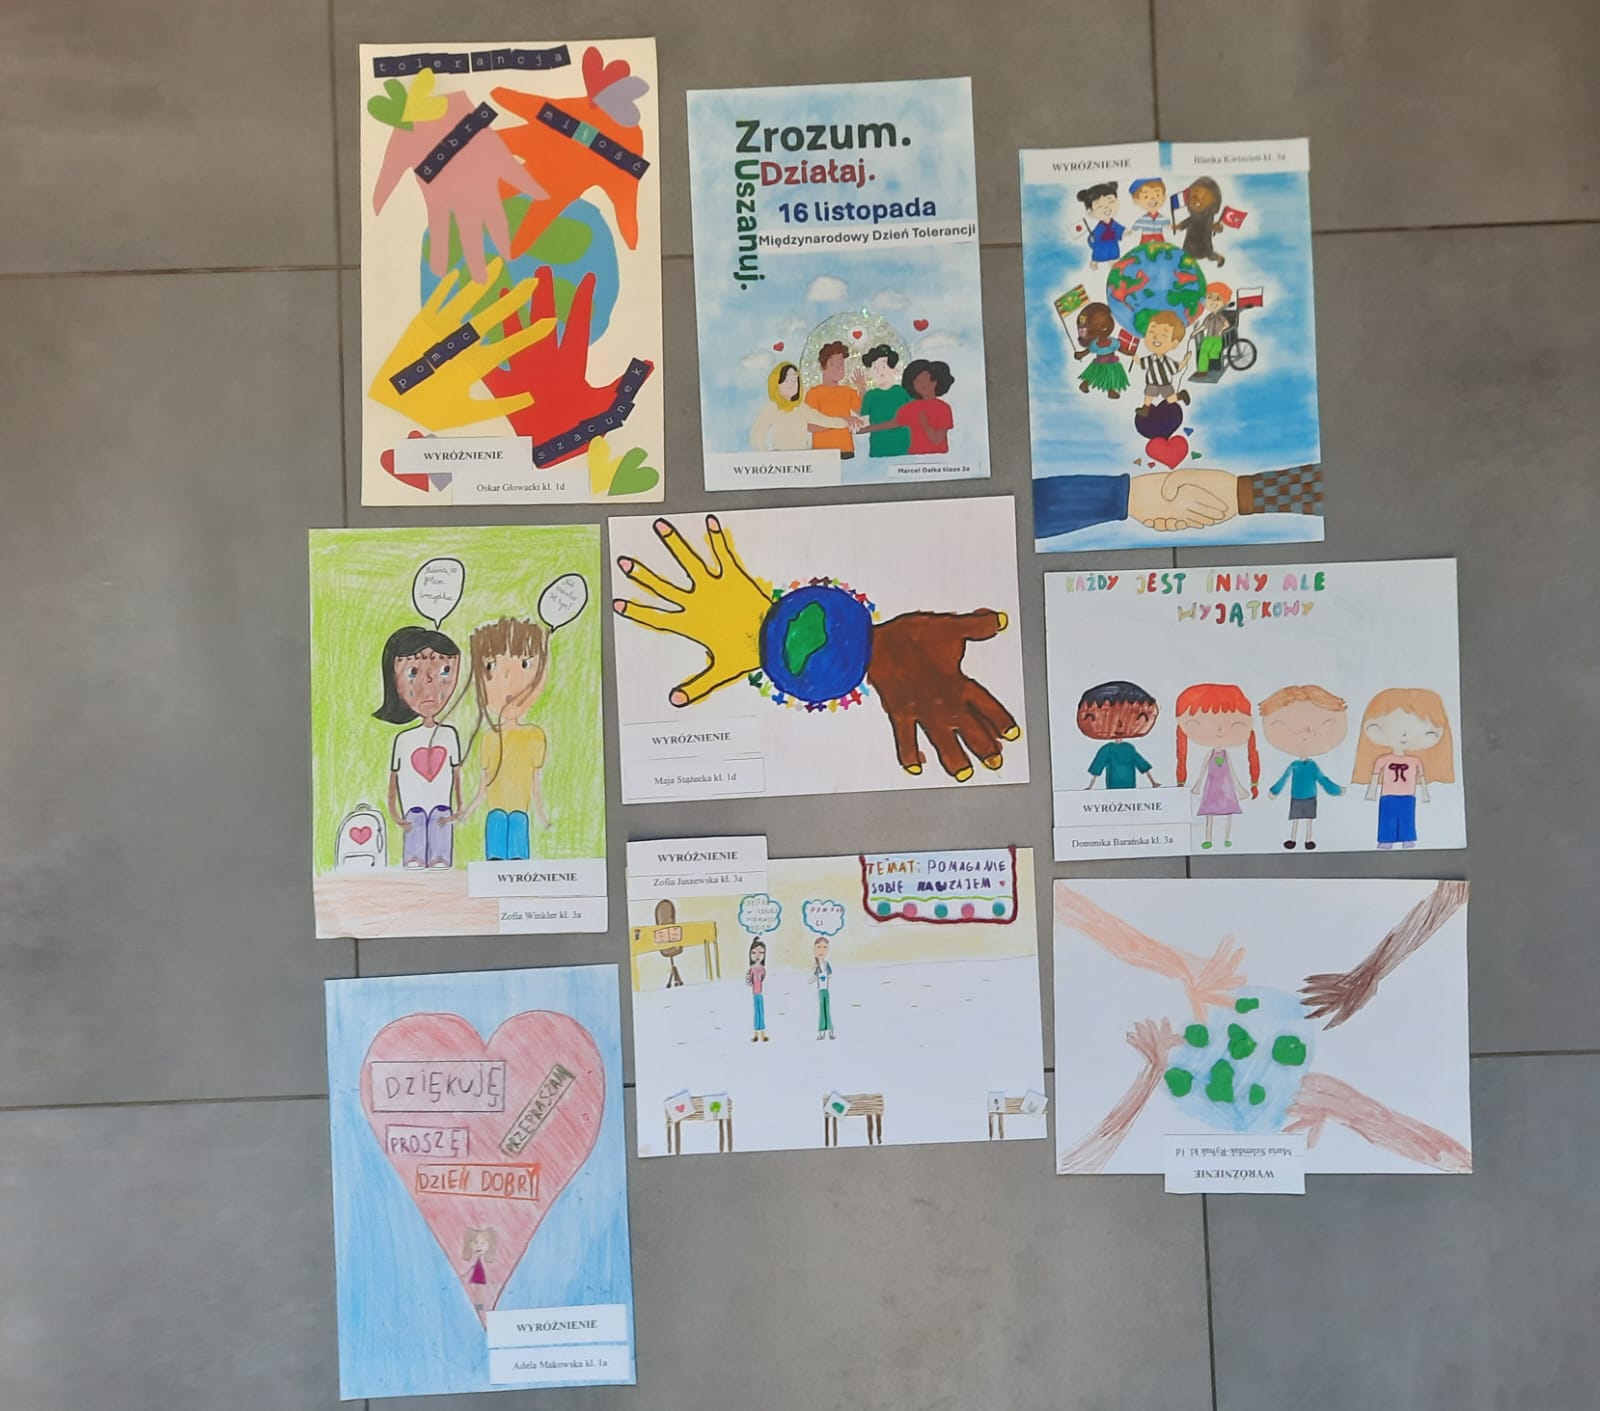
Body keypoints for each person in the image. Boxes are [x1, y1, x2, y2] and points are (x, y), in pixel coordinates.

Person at [455, 617, 552, 862]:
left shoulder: (535, 736)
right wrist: (470, 809)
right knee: (495, 859)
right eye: (491, 667)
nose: (509, 680)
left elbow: (535, 783)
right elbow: (484, 785)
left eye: (525, 664)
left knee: (519, 859)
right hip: (495, 813)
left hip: (521, 813)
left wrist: (541, 815)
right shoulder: (489, 738)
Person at [373, 625, 464, 870]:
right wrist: (393, 810)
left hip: (441, 803)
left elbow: (456, 773)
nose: (429, 684)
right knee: (415, 823)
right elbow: (394, 777)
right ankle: (413, 857)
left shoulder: (449, 735)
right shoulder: (403, 740)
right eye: (413, 672)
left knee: (440, 824)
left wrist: (460, 805)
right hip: (412, 804)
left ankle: (440, 857)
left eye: (445, 670)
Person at [1350, 688, 1455, 849]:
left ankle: (1407, 838)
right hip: (1387, 794)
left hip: (1408, 794)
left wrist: (1425, 793)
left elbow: (1422, 777)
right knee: (1387, 817)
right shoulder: (1383, 760)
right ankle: (1386, 839)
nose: (1404, 734)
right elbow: (1375, 775)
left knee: (1407, 816)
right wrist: (1371, 792)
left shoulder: (1415, 761)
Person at [1260, 684, 1347, 849]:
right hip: (1297, 796)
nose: (1305, 733)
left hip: (1309, 796)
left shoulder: (1312, 765)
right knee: (1295, 818)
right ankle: (1292, 838)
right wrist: (1275, 790)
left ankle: (1308, 839)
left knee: (1308, 819)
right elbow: (1284, 778)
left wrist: (1335, 790)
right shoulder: (1294, 765)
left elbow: (1322, 779)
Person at [1175, 683, 1258, 849]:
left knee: (1229, 813)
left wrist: (1240, 789)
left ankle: (1227, 837)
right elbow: (1203, 771)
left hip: (1226, 787)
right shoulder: (1210, 754)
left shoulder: (1226, 755)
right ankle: (1208, 838)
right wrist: (1197, 786)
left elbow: (1232, 773)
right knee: (1210, 813)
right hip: (1212, 787)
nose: (1219, 729)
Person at [856, 359, 954, 454]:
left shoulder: (944, 408)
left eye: (926, 379)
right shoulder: (911, 407)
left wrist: (924, 423)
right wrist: (865, 429)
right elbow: (891, 424)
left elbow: (937, 439)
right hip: (913, 458)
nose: (922, 384)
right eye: (917, 381)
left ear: (935, 381)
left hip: (938, 458)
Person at [1077, 681, 1161, 788]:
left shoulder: (1128, 748)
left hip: (1130, 785)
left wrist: (1153, 782)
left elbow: (1142, 765)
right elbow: (1098, 768)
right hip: (1114, 786)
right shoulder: (1108, 749)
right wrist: (1090, 786)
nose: (1120, 726)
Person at [750, 362, 845, 451]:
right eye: (786, 380)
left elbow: (821, 419)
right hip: (781, 457)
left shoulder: (801, 408)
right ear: (775, 383)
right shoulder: (771, 408)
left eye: (795, 380)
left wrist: (844, 423)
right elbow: (758, 433)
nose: (792, 384)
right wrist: (764, 455)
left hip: (802, 456)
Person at [802, 342, 864, 457]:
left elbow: (862, 412)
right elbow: (810, 426)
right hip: (822, 451)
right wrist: (842, 421)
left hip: (846, 449)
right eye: (832, 364)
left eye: (841, 365)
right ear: (822, 367)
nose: (838, 368)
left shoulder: (848, 392)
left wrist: (862, 387)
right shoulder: (814, 393)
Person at [857, 345, 912, 456]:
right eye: (875, 368)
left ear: (894, 369)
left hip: (904, 450)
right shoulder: (870, 396)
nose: (879, 372)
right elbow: (864, 423)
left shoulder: (903, 392)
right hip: (878, 451)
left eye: (883, 366)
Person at [1072, 302, 1130, 400]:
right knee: (1093, 374)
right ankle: (1085, 384)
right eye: (1096, 325)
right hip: (1099, 363)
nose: (1103, 327)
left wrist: (1129, 352)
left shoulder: (1113, 342)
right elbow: (1088, 350)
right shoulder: (1094, 344)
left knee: (1111, 377)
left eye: (1106, 321)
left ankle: (1111, 390)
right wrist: (1081, 354)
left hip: (1111, 363)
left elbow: (1120, 348)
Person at [1137, 311, 1191, 407]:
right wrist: (1133, 355)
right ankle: (1145, 409)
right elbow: (1141, 362)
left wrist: (1185, 360)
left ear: (1174, 344)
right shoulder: (1151, 359)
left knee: (1170, 399)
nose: (1156, 337)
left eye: (1163, 336)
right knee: (1148, 397)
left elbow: (1177, 367)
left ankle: (1180, 396)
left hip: (1165, 383)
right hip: (1152, 383)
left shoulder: (1167, 362)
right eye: (1151, 332)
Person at [1175, 176, 1226, 266]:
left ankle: (1219, 258)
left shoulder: (1208, 217)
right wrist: (1179, 226)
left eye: (1203, 198)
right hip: (1190, 241)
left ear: (1214, 201)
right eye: (1194, 196)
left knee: (1209, 255)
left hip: (1204, 242)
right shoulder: (1194, 216)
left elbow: (1214, 227)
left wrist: (1217, 228)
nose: (1198, 200)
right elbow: (1189, 221)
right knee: (1186, 254)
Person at [1077, 181, 1123, 269]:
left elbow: (1119, 230)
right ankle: (1094, 262)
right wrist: (1093, 241)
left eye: (1111, 202)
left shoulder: (1114, 224)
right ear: (1090, 212)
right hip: (1102, 247)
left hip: (1112, 245)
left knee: (1114, 259)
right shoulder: (1100, 227)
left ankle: (1114, 267)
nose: (1106, 207)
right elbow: (1093, 238)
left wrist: (1125, 233)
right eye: (1099, 206)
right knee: (1100, 255)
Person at [1191, 283, 1232, 375]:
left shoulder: (1221, 317)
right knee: (1203, 351)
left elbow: (1227, 325)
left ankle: (1213, 365)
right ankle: (1202, 371)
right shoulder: (1208, 317)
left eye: (1217, 299)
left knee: (1214, 352)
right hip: (1208, 338)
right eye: (1209, 298)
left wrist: (1221, 330)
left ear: (1223, 302)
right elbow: (1203, 326)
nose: (1213, 302)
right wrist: (1195, 332)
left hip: (1217, 338)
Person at [461, 1227, 497, 1323]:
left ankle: (480, 1307)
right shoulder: (473, 1260)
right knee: (476, 1290)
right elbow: (469, 1269)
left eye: (483, 1243)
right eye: (475, 1242)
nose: (479, 1246)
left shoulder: (485, 1261)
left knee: (480, 1291)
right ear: (470, 1244)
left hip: (481, 1278)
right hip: (476, 1277)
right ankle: (477, 1307)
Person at [1128, 177, 1168, 244]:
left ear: (1163, 197)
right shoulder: (1142, 220)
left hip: (1159, 242)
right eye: (1146, 197)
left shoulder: (1162, 218)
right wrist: (1129, 232)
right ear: (1137, 200)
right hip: (1145, 242)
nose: (1152, 199)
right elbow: (1134, 228)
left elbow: (1168, 225)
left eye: (1157, 195)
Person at [811, 936, 835, 1039]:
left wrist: (824, 976)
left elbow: (829, 974)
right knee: (822, 1011)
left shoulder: (826, 964)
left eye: (825, 947)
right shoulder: (816, 965)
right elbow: (814, 977)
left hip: (826, 991)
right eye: (819, 947)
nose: (822, 950)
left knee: (827, 1010)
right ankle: (822, 1032)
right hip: (820, 991)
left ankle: (830, 1031)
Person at [745, 938, 769, 1042]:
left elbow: (763, 978)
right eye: (754, 953)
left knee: (761, 1013)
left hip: (760, 994)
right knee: (757, 1014)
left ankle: (762, 1034)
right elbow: (749, 980)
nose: (757, 955)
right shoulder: (752, 969)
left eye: (761, 953)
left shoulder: (762, 969)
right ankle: (756, 1034)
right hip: (755, 993)